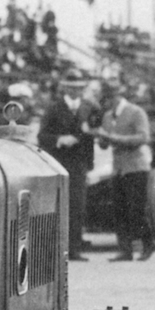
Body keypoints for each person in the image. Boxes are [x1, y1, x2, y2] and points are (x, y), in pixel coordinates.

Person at [38, 69, 96, 260]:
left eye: (79, 88)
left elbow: (94, 134)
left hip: (79, 164)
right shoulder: (54, 108)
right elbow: (42, 136)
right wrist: (60, 139)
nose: (75, 91)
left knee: (78, 206)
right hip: (60, 162)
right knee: (59, 205)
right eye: (71, 87)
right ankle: (57, 250)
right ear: (64, 88)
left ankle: (74, 249)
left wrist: (89, 164)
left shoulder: (89, 108)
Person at [94, 81, 154, 261]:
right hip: (118, 169)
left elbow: (143, 137)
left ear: (116, 97)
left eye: (107, 99)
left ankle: (147, 245)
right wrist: (102, 140)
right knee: (119, 210)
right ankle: (125, 250)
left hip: (136, 167)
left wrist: (113, 138)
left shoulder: (136, 112)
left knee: (137, 209)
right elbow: (105, 144)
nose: (105, 104)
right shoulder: (106, 117)